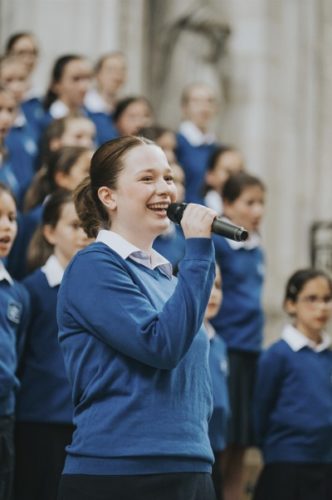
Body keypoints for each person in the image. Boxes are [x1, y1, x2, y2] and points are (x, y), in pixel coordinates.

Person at [56, 135, 218, 500]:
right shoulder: (94, 266)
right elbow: (160, 345)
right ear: (108, 196)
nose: (164, 189)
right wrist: (199, 250)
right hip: (120, 473)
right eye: (147, 179)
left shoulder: (167, 277)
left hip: (189, 467)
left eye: (168, 178)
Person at [14, 190, 91, 500]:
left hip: (86, 423)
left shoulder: (100, 290)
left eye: (90, 226)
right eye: (74, 225)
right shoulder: (31, 291)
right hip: (40, 422)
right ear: (49, 231)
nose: (85, 234)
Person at [252, 268, 332, 500]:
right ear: (290, 305)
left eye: (327, 299)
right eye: (311, 299)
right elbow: (261, 409)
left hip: (325, 463)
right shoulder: (277, 355)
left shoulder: (328, 356)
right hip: (287, 464)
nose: (321, 307)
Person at [211, 172, 266, 500]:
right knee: (224, 437)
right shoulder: (219, 245)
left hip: (250, 350)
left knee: (243, 439)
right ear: (228, 205)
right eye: (249, 203)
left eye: (261, 203)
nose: (257, 210)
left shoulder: (258, 248)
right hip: (225, 350)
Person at [0, 182, 30, 500]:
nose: (6, 226)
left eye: (11, 217)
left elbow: (16, 353)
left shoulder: (16, 293)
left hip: (5, 416)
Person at [204, 264, 230, 500]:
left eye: (218, 286)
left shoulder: (220, 344)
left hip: (216, 447)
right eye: (207, 282)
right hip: (190, 454)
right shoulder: (180, 341)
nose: (213, 293)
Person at [176, 83, 219, 204]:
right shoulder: (176, 143)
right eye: (197, 101)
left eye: (209, 101)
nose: (204, 107)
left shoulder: (216, 147)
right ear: (184, 108)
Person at [85, 52, 127, 146]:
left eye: (122, 70)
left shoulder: (125, 107)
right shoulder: (85, 106)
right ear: (97, 74)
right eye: (111, 70)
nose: (118, 75)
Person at [203, 146, 245, 215]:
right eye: (228, 172)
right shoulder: (198, 213)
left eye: (240, 172)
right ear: (210, 175)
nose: (236, 178)